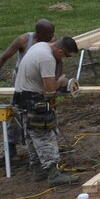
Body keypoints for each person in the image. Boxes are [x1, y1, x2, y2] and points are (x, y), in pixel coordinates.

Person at [12, 36, 81, 185]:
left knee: (32, 135)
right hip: (33, 101)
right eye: (66, 55)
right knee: (44, 136)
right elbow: (49, 90)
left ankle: (38, 170)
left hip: (21, 98)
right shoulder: (47, 58)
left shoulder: (41, 46)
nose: (64, 59)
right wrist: (61, 82)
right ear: (60, 50)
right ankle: (53, 174)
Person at [0, 19, 56, 87]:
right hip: (21, 76)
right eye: (48, 33)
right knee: (18, 98)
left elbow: (58, 61)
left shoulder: (52, 42)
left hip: (41, 76)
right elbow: (3, 58)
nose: (51, 36)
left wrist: (56, 78)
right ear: (38, 32)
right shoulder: (23, 40)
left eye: (52, 33)